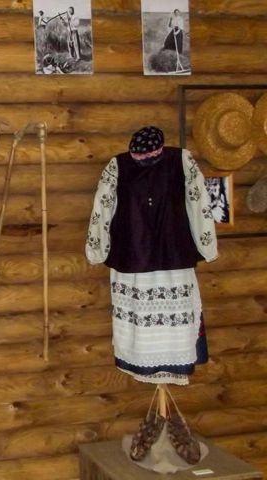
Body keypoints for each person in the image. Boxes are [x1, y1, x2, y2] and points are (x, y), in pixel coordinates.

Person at [86, 126, 218, 386]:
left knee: (177, 322)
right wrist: (97, 250)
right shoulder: (117, 166)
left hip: (174, 257)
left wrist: (207, 246)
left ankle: (176, 362)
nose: (143, 161)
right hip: (132, 257)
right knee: (139, 324)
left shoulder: (182, 161)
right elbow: (102, 208)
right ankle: (141, 363)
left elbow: (199, 202)